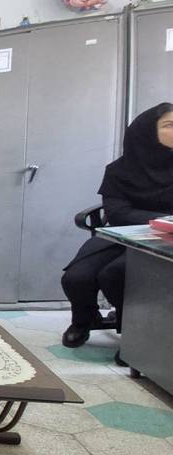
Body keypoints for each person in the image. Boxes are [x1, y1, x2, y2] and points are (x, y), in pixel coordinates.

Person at [62, 103, 173, 356]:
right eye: (169, 125)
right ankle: (84, 320)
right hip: (121, 234)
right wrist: (161, 220)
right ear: (146, 132)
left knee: (115, 275)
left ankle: (134, 336)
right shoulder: (119, 170)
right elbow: (117, 212)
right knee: (76, 277)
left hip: (165, 242)